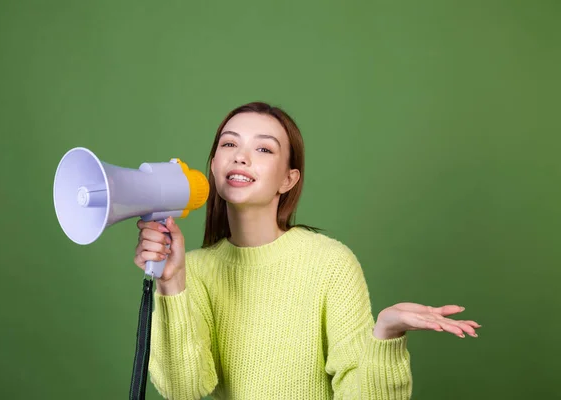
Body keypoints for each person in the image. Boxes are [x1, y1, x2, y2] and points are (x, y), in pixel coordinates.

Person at [134, 102, 481, 400]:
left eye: (264, 149)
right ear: (213, 165)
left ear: (289, 179)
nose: (241, 157)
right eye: (229, 144)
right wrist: (171, 284)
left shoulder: (330, 263)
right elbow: (185, 389)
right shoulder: (191, 270)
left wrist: (386, 335)